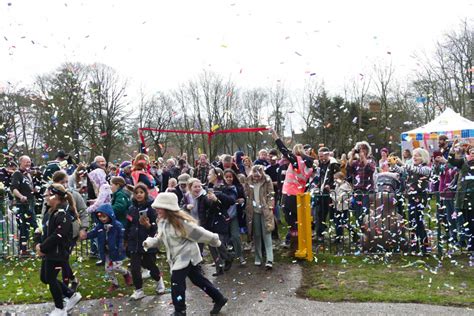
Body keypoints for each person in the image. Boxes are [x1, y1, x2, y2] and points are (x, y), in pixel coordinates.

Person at [143, 192, 228, 316]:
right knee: (198, 279)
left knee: (176, 282)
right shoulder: (162, 222)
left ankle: (180, 310)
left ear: (168, 208)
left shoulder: (181, 223)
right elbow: (161, 238)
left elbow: (200, 233)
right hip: (176, 257)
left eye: (159, 207)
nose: (156, 209)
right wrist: (150, 242)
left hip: (186, 256)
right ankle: (219, 298)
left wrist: (215, 240)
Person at [36, 183, 82, 316]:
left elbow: (58, 235)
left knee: (50, 279)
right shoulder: (51, 212)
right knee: (45, 278)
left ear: (55, 196)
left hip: (57, 253)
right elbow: (45, 232)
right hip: (49, 251)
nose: (45, 197)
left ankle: (60, 309)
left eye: (47, 194)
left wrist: (43, 247)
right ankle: (71, 295)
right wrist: (39, 243)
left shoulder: (62, 214)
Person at [271, 129, 313, 252]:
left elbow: (283, 149)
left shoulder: (297, 161)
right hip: (300, 196)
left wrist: (276, 137)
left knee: (292, 223)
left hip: (289, 195)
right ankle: (302, 246)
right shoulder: (309, 165)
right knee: (299, 222)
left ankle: (295, 248)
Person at [80, 204, 133, 292]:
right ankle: (114, 283)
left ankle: (126, 274)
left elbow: (121, 237)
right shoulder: (100, 227)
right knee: (108, 269)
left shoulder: (117, 225)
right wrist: (86, 236)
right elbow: (93, 233)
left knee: (116, 267)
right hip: (106, 251)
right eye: (100, 217)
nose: (102, 219)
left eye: (104, 216)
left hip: (116, 251)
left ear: (110, 215)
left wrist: (120, 247)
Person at [125, 184, 165, 300]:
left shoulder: (151, 208)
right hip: (134, 242)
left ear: (145, 194)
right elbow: (128, 225)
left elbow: (156, 228)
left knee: (150, 265)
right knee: (135, 268)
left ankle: (159, 281)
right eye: (136, 192)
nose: (138, 195)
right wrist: (125, 239)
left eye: (141, 192)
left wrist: (148, 225)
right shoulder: (131, 208)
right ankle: (138, 290)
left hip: (148, 242)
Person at [51, 171, 89, 292]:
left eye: (67, 181)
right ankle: (72, 279)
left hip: (70, 233)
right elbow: (45, 212)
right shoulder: (51, 196)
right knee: (61, 259)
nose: (66, 184)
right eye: (62, 182)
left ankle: (67, 285)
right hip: (54, 233)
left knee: (64, 258)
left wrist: (83, 228)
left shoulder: (74, 195)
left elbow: (83, 211)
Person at [390, 148, 431, 255]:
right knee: (412, 222)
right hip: (411, 198)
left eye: (418, 155)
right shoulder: (410, 168)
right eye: (414, 155)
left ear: (423, 157)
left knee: (419, 222)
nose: (415, 157)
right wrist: (394, 165)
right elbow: (401, 170)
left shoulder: (426, 169)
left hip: (421, 198)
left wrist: (402, 163)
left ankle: (425, 247)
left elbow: (416, 170)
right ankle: (414, 246)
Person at [244, 165, 275, 269]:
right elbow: (246, 194)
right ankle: (258, 257)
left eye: (258, 176)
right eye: (254, 176)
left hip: (265, 210)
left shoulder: (267, 180)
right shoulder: (248, 181)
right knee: (256, 234)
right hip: (253, 211)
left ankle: (270, 259)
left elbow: (271, 194)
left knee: (267, 233)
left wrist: (270, 206)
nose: (256, 178)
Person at [448, 141, 474, 265]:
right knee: (466, 222)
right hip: (463, 198)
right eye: (471, 151)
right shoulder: (463, 162)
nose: (473, 153)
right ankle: (469, 243)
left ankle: (472, 245)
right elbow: (451, 161)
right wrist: (453, 149)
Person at [206, 167, 235, 275]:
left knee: (219, 243)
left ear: (216, 175)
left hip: (221, 218)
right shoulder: (208, 187)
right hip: (210, 219)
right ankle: (219, 267)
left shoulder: (225, 187)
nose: (208, 176)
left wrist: (217, 197)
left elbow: (231, 201)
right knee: (211, 244)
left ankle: (228, 257)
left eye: (210, 174)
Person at [11, 155, 38, 255]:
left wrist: (33, 190)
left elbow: (29, 187)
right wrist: (21, 196)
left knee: (34, 225)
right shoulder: (17, 174)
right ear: (20, 163)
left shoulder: (28, 174)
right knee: (24, 227)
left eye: (29, 162)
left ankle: (35, 247)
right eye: (26, 162)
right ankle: (23, 250)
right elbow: (13, 188)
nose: (28, 164)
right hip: (22, 205)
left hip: (30, 203)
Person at [347, 142, 376, 229]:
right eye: (360, 149)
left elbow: (371, 170)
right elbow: (349, 169)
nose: (362, 151)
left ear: (367, 150)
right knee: (357, 212)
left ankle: (367, 231)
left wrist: (364, 158)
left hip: (367, 190)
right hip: (357, 190)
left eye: (364, 149)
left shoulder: (371, 160)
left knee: (365, 212)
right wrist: (352, 156)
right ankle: (359, 232)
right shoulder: (356, 162)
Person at [315, 147, 340, 241]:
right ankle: (320, 234)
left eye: (321, 156)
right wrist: (318, 185)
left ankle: (339, 236)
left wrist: (331, 186)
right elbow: (320, 177)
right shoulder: (320, 164)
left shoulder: (334, 165)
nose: (320, 158)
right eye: (319, 156)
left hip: (332, 194)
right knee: (320, 214)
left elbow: (340, 178)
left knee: (335, 215)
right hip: (322, 193)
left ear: (327, 154)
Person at [223, 169, 246, 265]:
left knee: (236, 236)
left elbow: (243, 198)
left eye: (230, 177)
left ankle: (240, 255)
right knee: (224, 238)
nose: (229, 179)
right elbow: (223, 200)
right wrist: (236, 201)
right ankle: (225, 257)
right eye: (227, 177)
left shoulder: (238, 187)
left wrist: (242, 200)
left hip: (234, 215)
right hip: (224, 216)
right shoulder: (222, 188)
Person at [330, 172, 354, 253]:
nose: (335, 180)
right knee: (337, 222)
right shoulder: (338, 185)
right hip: (337, 207)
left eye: (336, 178)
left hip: (343, 208)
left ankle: (354, 234)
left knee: (344, 223)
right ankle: (338, 237)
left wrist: (331, 194)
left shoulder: (345, 188)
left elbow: (339, 199)